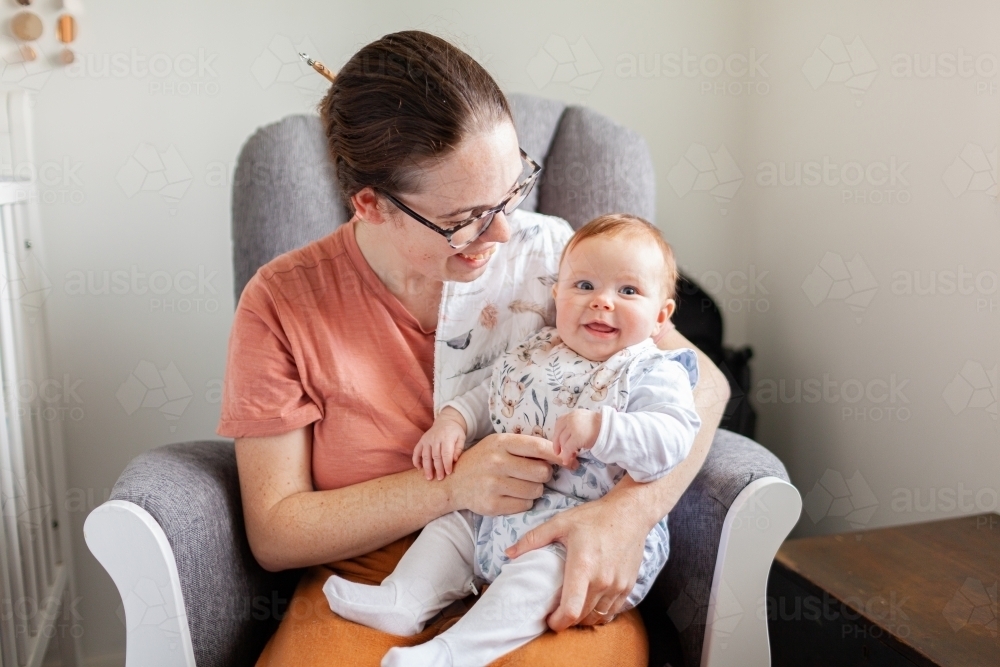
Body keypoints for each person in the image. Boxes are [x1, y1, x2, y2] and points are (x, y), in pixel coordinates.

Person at [218, 30, 730, 667]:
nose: (505, 229)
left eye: (513, 190)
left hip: (553, 550)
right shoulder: (284, 302)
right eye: (466, 217)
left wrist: (628, 515)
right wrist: (452, 487)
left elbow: (702, 381)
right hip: (377, 578)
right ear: (372, 205)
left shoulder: (552, 259)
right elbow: (274, 529)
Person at [323, 214, 701, 667]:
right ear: (556, 294)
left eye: (628, 291)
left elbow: (674, 437)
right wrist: (454, 420)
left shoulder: (654, 370)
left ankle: (453, 653)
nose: (602, 302)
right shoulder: (537, 350)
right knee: (451, 526)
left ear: (661, 316)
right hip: (502, 508)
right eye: (583, 286)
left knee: (541, 576)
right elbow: (494, 393)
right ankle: (403, 600)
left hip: (581, 537)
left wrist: (604, 429)